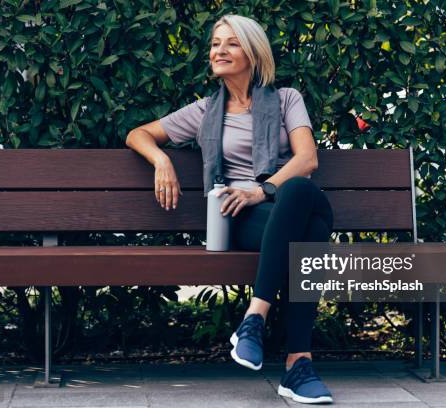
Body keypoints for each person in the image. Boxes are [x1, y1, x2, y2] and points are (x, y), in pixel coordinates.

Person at [126, 14, 334, 404]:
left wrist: (261, 189)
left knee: (299, 190)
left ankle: (255, 317)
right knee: (314, 235)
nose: (219, 50)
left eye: (231, 43)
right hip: (242, 219)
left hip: (282, 200)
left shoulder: (287, 99)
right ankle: (298, 366)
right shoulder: (205, 111)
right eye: (215, 43)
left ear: (253, 53)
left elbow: (307, 158)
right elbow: (138, 134)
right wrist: (161, 160)